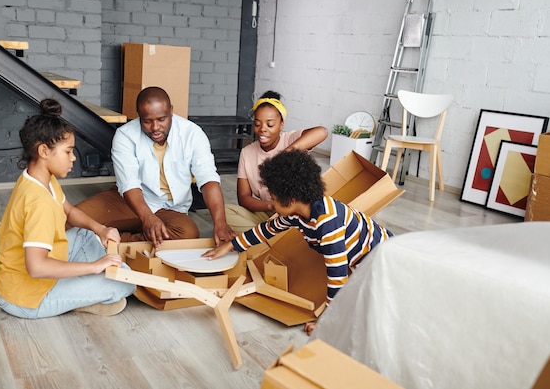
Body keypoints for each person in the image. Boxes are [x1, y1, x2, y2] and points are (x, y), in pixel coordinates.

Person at [203, 149, 393, 336]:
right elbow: (265, 230)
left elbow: (337, 276)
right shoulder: (297, 213)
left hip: (382, 261)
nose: (271, 204)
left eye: (275, 199)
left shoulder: (328, 224)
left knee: (369, 318)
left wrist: (325, 321)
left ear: (291, 200)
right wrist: (230, 245)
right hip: (362, 259)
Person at [0, 98, 136, 319]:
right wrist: (95, 267)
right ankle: (77, 296)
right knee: (125, 284)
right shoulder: (38, 202)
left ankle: (79, 287)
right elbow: (36, 268)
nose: (73, 157)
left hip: (21, 275)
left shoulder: (40, 178)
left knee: (86, 235)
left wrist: (101, 229)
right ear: (44, 151)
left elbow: (69, 211)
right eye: (68, 151)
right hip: (27, 298)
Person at [74, 86, 236, 249]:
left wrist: (220, 222)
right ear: (139, 115)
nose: (155, 127)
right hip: (131, 202)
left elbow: (208, 179)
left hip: (171, 210)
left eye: (161, 119)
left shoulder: (192, 134)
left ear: (171, 111)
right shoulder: (125, 135)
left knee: (187, 234)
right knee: (68, 219)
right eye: (147, 121)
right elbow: (129, 184)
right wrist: (147, 218)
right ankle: (128, 240)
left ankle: (111, 242)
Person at [225, 90, 328, 232]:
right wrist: (272, 206)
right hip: (268, 213)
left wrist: (285, 155)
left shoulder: (290, 139)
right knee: (223, 213)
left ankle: (261, 238)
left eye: (270, 124)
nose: (263, 129)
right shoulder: (247, 152)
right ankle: (269, 237)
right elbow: (243, 198)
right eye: (257, 124)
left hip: (294, 214)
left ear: (281, 125)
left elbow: (322, 132)